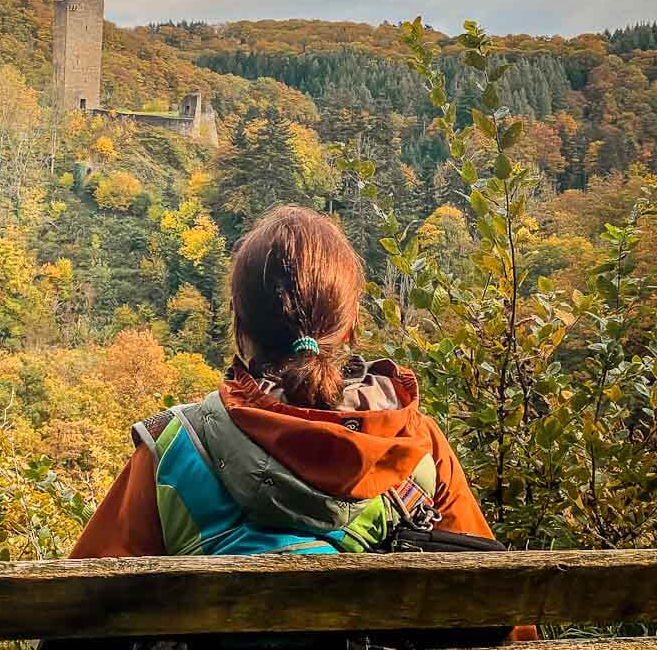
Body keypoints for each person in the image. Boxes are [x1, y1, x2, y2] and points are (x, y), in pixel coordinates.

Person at [66, 205, 537, 646]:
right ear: (350, 326)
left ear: (240, 327)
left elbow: (73, 617)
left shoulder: (174, 448)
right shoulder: (414, 445)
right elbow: (503, 614)